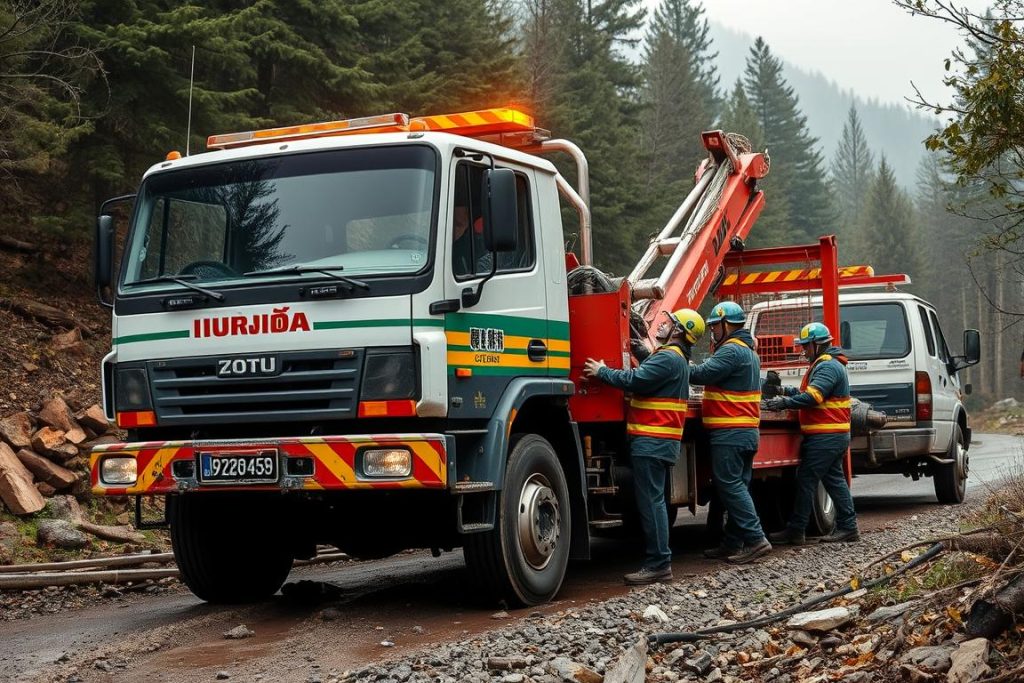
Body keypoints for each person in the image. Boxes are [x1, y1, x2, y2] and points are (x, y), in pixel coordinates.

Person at [583, 308, 705, 585]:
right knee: (655, 502)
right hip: (660, 442)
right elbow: (652, 375)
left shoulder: (667, 359)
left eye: (669, 323)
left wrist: (601, 371)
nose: (662, 325)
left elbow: (635, 380)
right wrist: (641, 352)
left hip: (652, 442)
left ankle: (659, 563)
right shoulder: (675, 360)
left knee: (651, 504)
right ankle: (659, 561)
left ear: (678, 332)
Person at [690, 301, 772, 564]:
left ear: (727, 325)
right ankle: (733, 542)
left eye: (715, 327)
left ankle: (756, 540)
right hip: (745, 431)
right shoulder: (748, 351)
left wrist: (674, 362)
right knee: (739, 487)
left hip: (730, 431)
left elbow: (701, 374)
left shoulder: (731, 351)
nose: (713, 332)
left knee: (730, 486)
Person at [765, 322, 860, 544]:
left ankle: (796, 531)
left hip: (826, 437)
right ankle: (849, 527)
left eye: (806, 346)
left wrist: (783, 402)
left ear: (817, 345)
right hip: (831, 436)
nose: (803, 351)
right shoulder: (826, 364)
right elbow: (809, 392)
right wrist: (784, 391)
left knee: (806, 479)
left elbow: (813, 397)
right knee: (835, 481)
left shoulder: (827, 366)